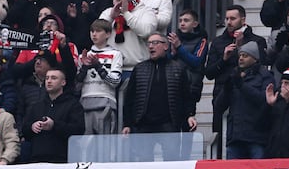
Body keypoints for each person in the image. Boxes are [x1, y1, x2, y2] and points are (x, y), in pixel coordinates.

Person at [121, 32, 197, 160]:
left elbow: (186, 96)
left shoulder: (178, 68)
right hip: (143, 124)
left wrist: (190, 115)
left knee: (171, 160)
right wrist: (127, 123)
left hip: (169, 123)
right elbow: (129, 99)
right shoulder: (139, 69)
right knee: (144, 162)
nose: (151, 46)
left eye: (155, 43)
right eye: (149, 43)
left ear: (165, 46)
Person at [205, 5, 266, 134]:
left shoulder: (257, 41)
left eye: (233, 18)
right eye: (227, 18)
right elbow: (209, 73)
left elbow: (260, 65)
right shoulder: (218, 42)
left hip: (248, 92)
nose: (228, 22)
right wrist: (224, 59)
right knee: (219, 134)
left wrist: (241, 47)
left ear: (243, 20)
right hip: (222, 93)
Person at [22, 68, 84, 162]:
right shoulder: (36, 106)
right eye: (47, 78)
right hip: (36, 158)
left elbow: (78, 130)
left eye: (54, 78)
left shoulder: (73, 105)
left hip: (62, 159)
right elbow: (24, 130)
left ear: (63, 82)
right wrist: (32, 127)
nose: (49, 81)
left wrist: (54, 125)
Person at [76, 19, 123, 135]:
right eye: (92, 31)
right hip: (85, 103)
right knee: (86, 146)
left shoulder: (115, 54)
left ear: (108, 34)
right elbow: (76, 86)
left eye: (98, 31)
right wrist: (84, 68)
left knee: (105, 144)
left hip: (106, 102)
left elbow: (115, 81)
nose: (94, 34)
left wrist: (99, 67)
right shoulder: (83, 55)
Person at [98, 0, 159, 73]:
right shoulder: (108, 12)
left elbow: (146, 32)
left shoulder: (146, 12)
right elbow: (97, 35)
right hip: (109, 68)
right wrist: (111, 17)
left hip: (137, 69)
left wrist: (126, 13)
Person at [168, 9, 208, 103]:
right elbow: (165, 61)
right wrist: (172, 54)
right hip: (172, 85)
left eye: (186, 20)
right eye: (180, 20)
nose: (182, 23)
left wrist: (179, 47)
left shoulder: (201, 41)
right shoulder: (174, 39)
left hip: (191, 87)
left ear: (195, 24)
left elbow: (196, 62)